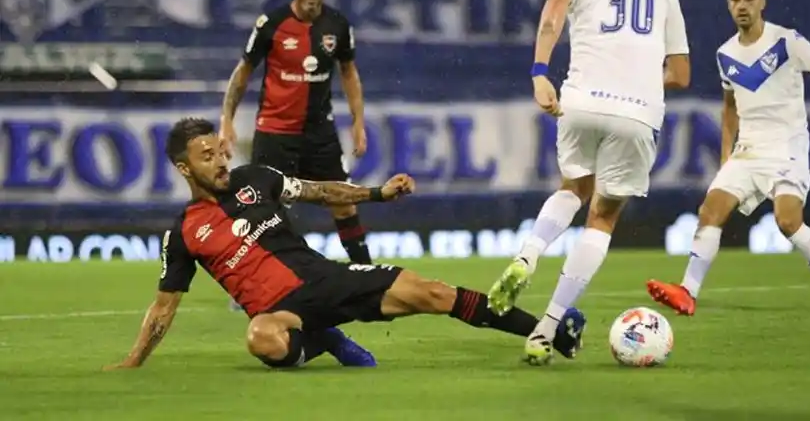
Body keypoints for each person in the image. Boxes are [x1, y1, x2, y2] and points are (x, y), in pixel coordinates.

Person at [103, 118, 586, 371]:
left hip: (326, 278)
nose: (220, 161)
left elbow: (321, 190)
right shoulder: (184, 232)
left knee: (432, 293)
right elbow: (164, 306)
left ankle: (545, 329)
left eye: (220, 150)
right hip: (279, 313)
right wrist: (133, 360)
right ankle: (322, 339)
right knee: (260, 340)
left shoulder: (258, 179)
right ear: (185, 169)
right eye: (207, 157)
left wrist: (378, 193)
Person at [486, 0, 691, 366]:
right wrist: (640, 77)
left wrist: (540, 73)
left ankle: (528, 254)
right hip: (638, 115)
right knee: (603, 217)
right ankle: (547, 327)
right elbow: (680, 74)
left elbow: (551, 19)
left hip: (581, 101)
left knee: (572, 187)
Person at [647, 0, 810, 316]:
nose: (742, 6)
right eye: (735, 0)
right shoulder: (725, 54)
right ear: (728, 5)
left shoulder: (787, 42)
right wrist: (727, 155)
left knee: (787, 222)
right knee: (710, 210)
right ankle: (687, 292)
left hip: (787, 147)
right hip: (748, 151)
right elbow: (730, 107)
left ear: (762, 3)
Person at [219, 0, 372, 266]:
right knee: (261, 210)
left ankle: (367, 271)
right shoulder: (271, 25)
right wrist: (226, 121)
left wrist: (358, 122)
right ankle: (251, 281)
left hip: (319, 133)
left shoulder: (338, 26)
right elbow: (243, 73)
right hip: (275, 133)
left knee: (343, 200)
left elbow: (349, 73)